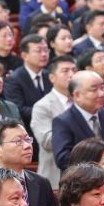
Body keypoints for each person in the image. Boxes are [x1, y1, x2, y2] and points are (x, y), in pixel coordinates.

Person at [52, 70, 104, 171]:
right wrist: (103, 152)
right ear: (77, 95)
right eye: (94, 90)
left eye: (102, 88)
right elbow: (63, 159)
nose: (102, 93)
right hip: (81, 179)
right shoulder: (63, 121)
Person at [30, 55, 76, 187]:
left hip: (85, 173)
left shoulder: (83, 101)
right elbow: (47, 141)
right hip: (55, 176)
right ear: (52, 77)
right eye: (65, 71)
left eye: (74, 70)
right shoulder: (42, 106)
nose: (71, 74)